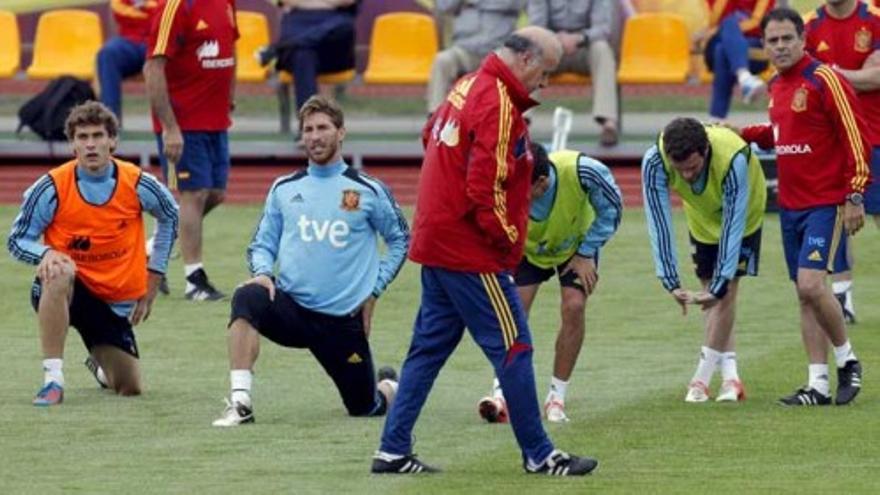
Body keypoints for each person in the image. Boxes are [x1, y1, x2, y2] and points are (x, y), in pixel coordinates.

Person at [372, 27, 598, 477]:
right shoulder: (497, 103)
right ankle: (539, 454)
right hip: (469, 253)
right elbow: (484, 188)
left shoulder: (465, 85)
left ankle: (392, 450)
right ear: (527, 60)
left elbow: (428, 135)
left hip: (437, 243)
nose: (546, 84)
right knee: (516, 346)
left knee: (427, 350)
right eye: (546, 72)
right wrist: (507, 240)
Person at [211, 96, 409, 426]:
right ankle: (240, 402)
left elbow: (401, 240)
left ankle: (389, 386)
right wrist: (261, 272)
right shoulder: (285, 188)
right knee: (247, 296)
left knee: (365, 408)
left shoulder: (368, 190)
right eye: (308, 130)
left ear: (341, 132)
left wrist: (374, 289)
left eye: (323, 128)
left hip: (342, 320)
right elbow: (262, 244)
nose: (315, 136)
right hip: (292, 311)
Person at [6, 101, 178, 406]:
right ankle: (53, 380)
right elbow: (17, 239)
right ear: (72, 144)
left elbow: (170, 217)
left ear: (112, 140)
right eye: (82, 137)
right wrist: (44, 254)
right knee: (60, 268)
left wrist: (155, 274)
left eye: (98, 136)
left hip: (114, 303)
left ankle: (100, 365)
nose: (91, 145)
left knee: (130, 386)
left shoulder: (137, 182)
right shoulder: (51, 187)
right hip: (67, 288)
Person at [739, 8, 867, 406]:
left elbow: (854, 136)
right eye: (772, 41)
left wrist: (855, 194)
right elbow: (784, 135)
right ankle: (818, 384)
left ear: (802, 39)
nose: (780, 46)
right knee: (804, 294)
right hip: (790, 205)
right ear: (764, 45)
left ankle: (848, 360)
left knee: (813, 284)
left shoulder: (825, 78)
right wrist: (742, 134)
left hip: (825, 202)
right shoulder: (776, 85)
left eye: (786, 39)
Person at [477, 143, 622, 424]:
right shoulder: (505, 180)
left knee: (574, 306)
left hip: (575, 248)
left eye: (524, 191)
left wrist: (586, 251)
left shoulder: (584, 171)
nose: (517, 197)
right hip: (528, 251)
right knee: (513, 312)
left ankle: (556, 398)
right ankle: (502, 394)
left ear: (542, 183)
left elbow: (613, 210)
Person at [642, 118, 766, 403]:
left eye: (693, 168)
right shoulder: (654, 160)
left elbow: (733, 226)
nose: (686, 176)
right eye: (680, 169)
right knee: (711, 291)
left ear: (706, 150)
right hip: (701, 217)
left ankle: (701, 379)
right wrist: (670, 281)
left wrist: (720, 286)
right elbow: (659, 221)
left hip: (743, 216)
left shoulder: (733, 158)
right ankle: (731, 379)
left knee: (725, 291)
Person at [144, 0, 237, 301]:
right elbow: (153, 67)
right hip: (184, 122)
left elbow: (228, 51)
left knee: (215, 194)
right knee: (193, 194)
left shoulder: (226, 3)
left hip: (215, 119)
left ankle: (153, 248)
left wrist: (230, 98)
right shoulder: (175, 7)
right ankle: (194, 279)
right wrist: (169, 127)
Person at [803, 0, 880, 324]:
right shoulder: (809, 25)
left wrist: (832, 75)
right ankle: (842, 295)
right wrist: (856, 74)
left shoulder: (874, 20)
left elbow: (878, 77)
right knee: (833, 218)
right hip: (829, 141)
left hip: (874, 135)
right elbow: (805, 80)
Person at [527, 0, 620, 146]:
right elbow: (536, 27)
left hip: (584, 48)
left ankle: (608, 123)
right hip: (552, 50)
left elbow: (603, 28)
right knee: (534, 52)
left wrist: (578, 38)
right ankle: (521, 121)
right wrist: (558, 39)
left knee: (602, 49)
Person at [426, 0, 525, 114]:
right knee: (442, 60)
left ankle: (524, 119)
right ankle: (434, 117)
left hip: (499, 51)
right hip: (465, 48)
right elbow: (444, 6)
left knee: (526, 62)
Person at [258, 0, 358, 113]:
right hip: (298, 27)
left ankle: (279, 48)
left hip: (335, 44)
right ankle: (310, 121)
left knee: (344, 26)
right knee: (302, 54)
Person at [699, 0, 776, 120]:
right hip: (715, 43)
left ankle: (716, 118)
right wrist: (727, 30)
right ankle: (745, 77)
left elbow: (758, 23)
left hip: (754, 48)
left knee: (722, 50)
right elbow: (713, 19)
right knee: (728, 25)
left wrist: (730, 31)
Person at [96, 0, 158, 124]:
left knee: (174, 52)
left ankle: (174, 122)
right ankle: (110, 122)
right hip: (131, 43)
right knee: (107, 54)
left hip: (160, 41)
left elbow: (169, 13)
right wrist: (151, 9)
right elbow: (119, 10)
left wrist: (143, 7)